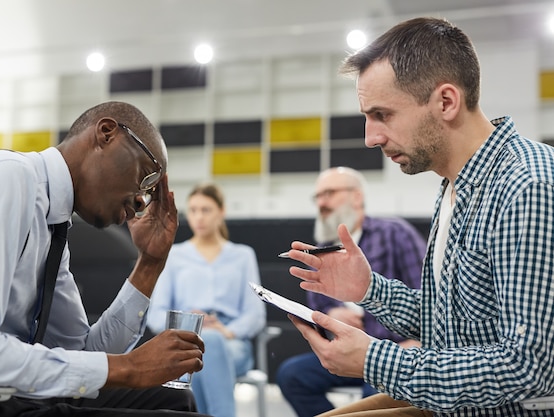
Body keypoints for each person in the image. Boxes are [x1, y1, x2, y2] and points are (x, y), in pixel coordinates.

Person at [284, 17, 554, 417]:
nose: (370, 137)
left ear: (446, 102)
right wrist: (369, 289)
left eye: (383, 115)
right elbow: (450, 324)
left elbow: (531, 367)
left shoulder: (525, 186)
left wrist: (376, 360)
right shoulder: (455, 184)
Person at [0, 101, 210, 417]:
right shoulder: (9, 177)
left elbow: (82, 354)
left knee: (174, 401)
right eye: (145, 175)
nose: (143, 199)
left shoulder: (53, 223)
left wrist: (149, 264)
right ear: (106, 133)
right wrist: (128, 367)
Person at [276, 166, 425, 417]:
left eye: (329, 193)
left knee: (376, 390)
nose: (321, 203)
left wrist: (418, 340)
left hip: (394, 349)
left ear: (357, 196)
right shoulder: (322, 249)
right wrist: (333, 312)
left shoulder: (394, 233)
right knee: (291, 375)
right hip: (347, 348)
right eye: (318, 197)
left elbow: (425, 290)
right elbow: (317, 302)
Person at [148, 183, 266, 417]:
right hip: (186, 342)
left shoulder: (243, 255)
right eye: (193, 210)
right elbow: (155, 315)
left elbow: (255, 314)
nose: (198, 217)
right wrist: (189, 327)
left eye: (206, 210)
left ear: (221, 212)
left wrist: (226, 331)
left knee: (208, 346)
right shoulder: (175, 255)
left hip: (232, 343)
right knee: (199, 352)